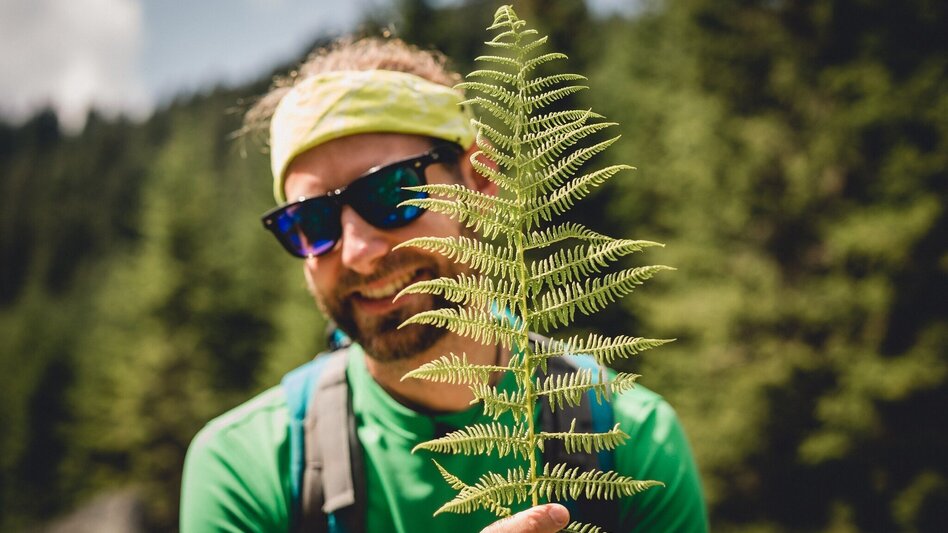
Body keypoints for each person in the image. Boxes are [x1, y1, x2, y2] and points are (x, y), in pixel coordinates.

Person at [180, 37, 708, 533]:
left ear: (480, 182)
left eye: (391, 192)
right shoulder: (246, 466)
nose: (359, 253)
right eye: (311, 222)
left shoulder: (636, 442)